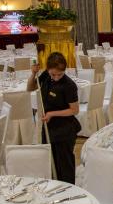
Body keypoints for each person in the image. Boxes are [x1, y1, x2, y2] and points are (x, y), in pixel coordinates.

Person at [27, 52, 81, 184]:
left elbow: (74, 110)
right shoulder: (46, 76)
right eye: (53, 74)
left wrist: (52, 114)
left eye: (60, 74)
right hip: (49, 128)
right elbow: (30, 88)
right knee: (51, 161)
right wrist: (33, 73)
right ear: (48, 70)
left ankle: (69, 191)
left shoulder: (69, 85)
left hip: (65, 130)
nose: (56, 78)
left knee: (65, 165)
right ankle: (55, 187)